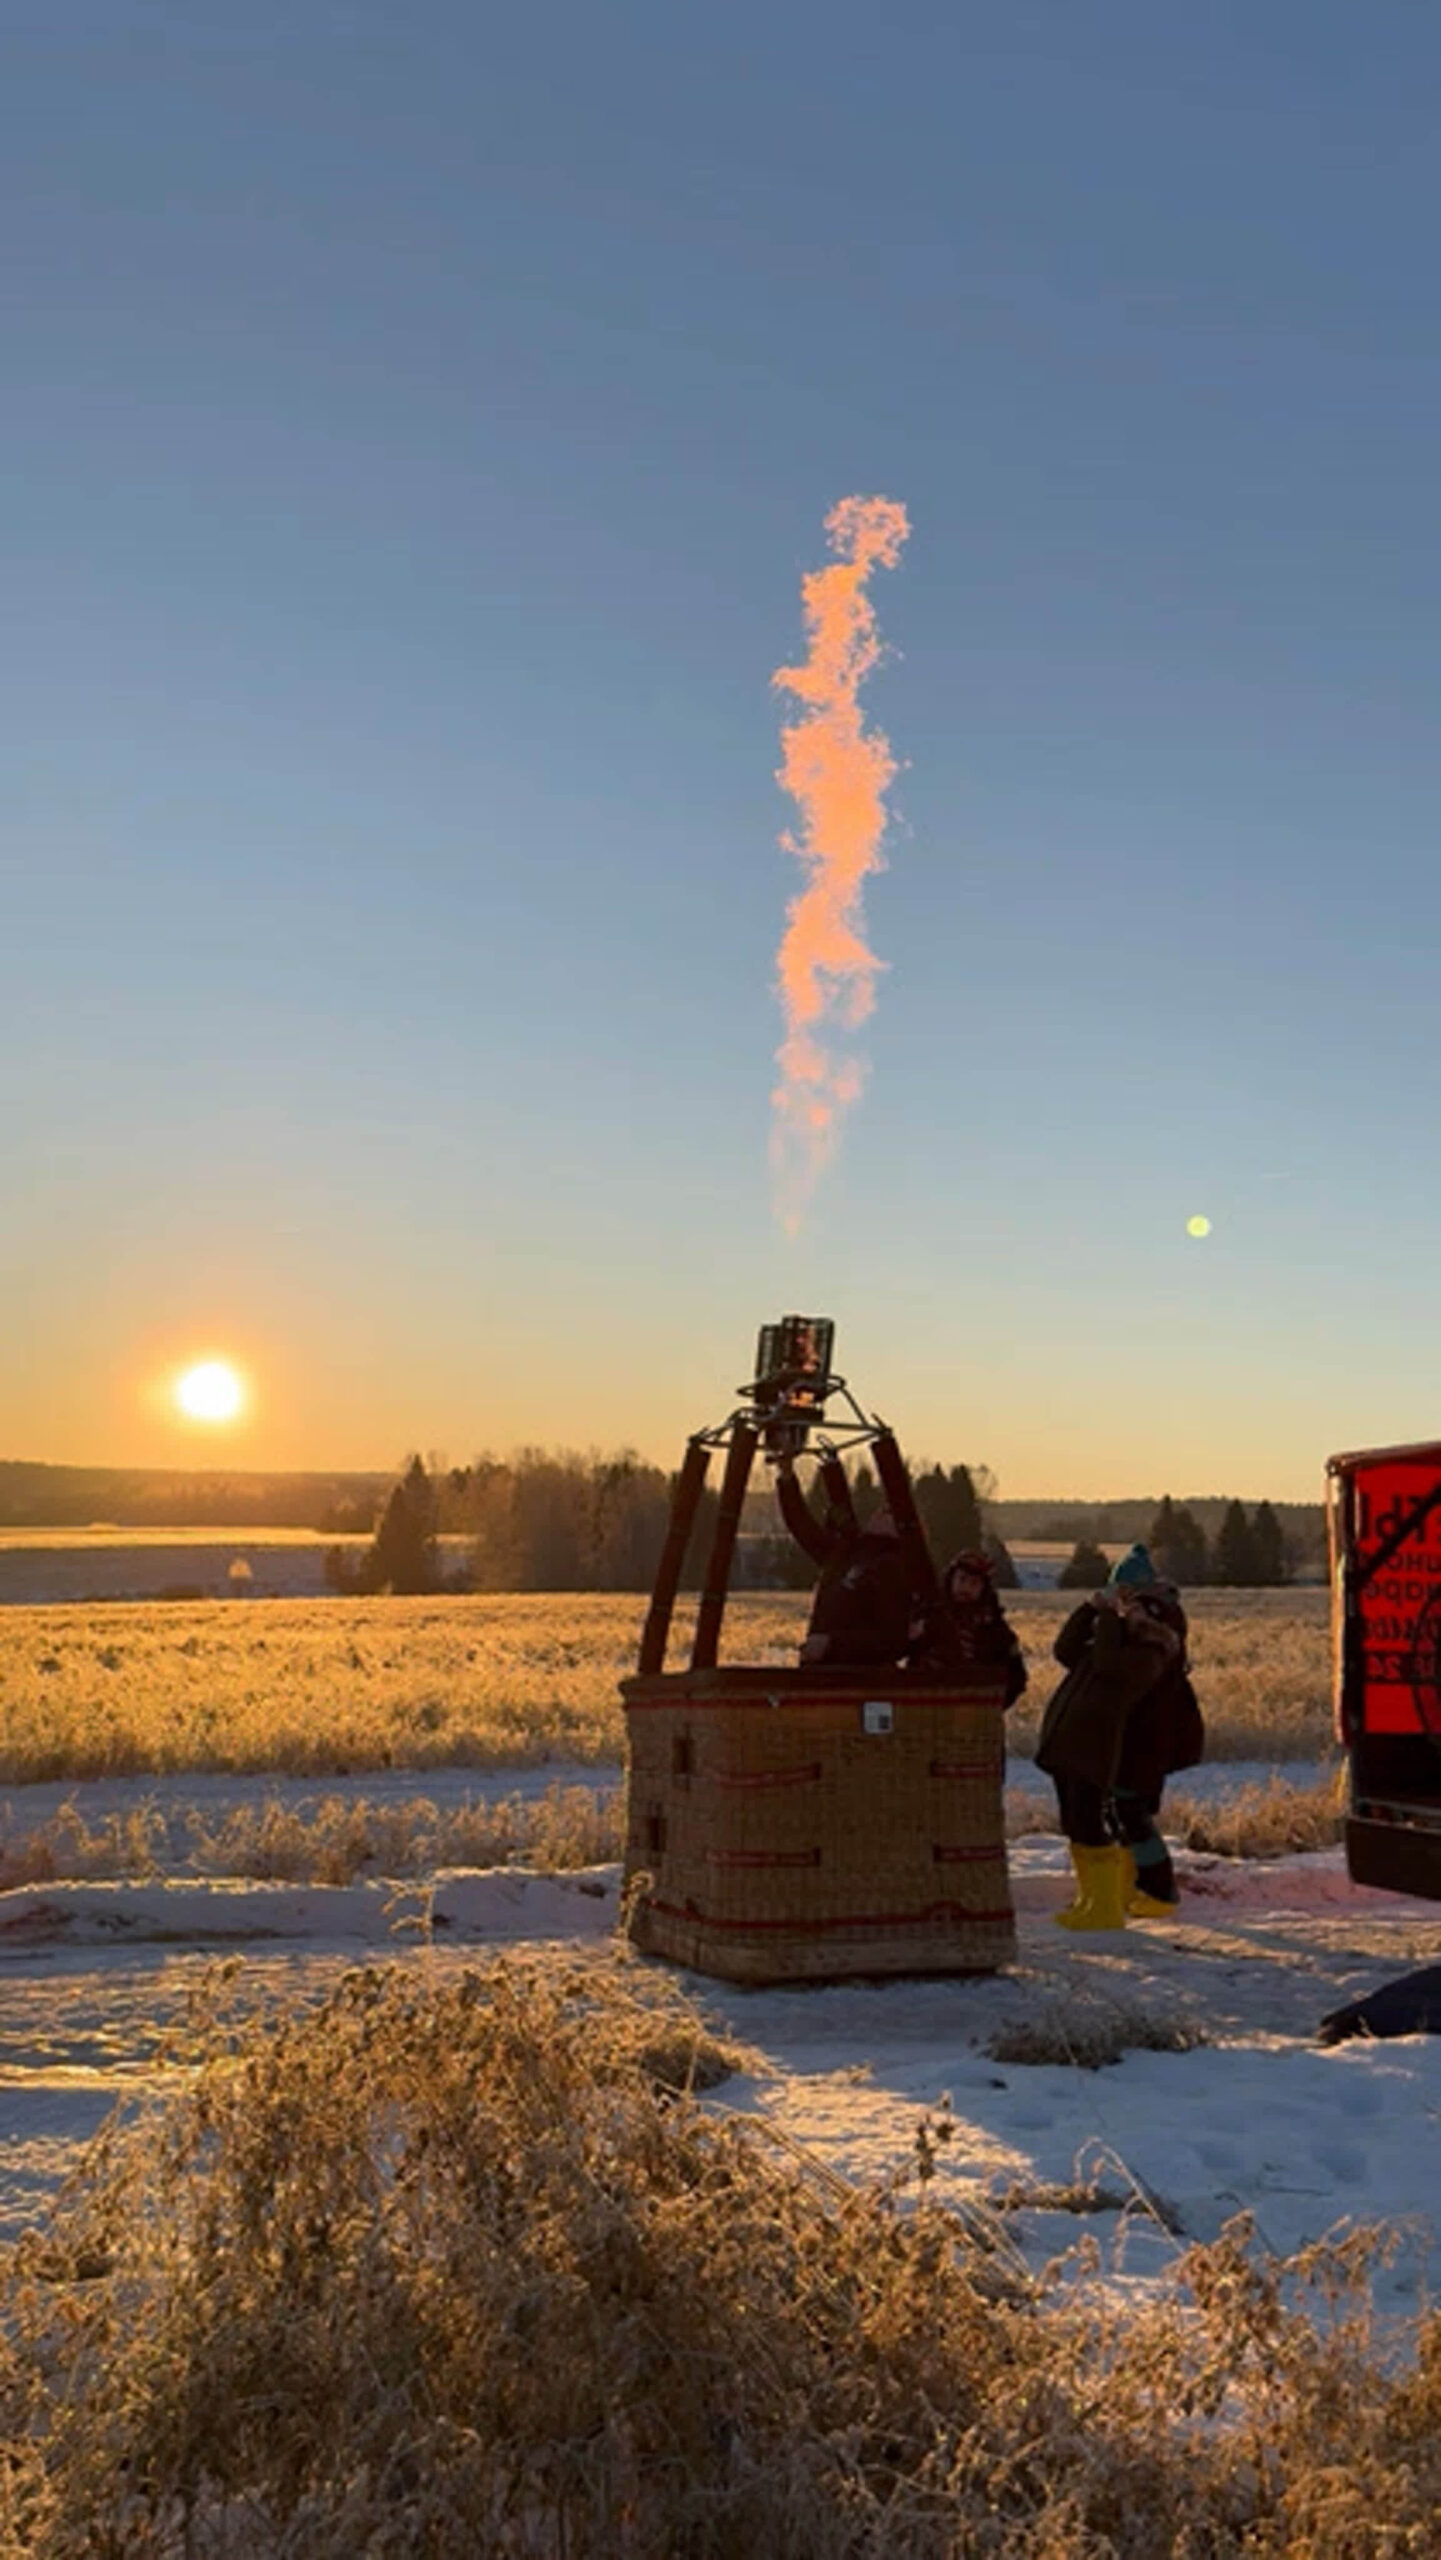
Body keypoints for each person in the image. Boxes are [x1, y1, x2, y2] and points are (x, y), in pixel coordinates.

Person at [1035, 1542, 1204, 1930]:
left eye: (1128, 1597)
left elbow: (1113, 1668)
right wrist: (1092, 1609)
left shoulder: (1151, 1640)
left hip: (1143, 1740)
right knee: (1116, 1814)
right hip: (1117, 1738)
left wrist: (1110, 1618)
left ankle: (1156, 1891)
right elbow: (1065, 1651)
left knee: (1131, 1813)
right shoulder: (1119, 1632)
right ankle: (1126, 1891)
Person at [774, 1458, 916, 1669]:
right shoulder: (847, 1553)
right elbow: (802, 1526)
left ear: (902, 1528)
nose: (881, 1511)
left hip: (858, 1683)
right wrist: (787, 1477)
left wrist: (831, 1645)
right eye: (883, 1508)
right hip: (820, 1673)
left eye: (889, 1512)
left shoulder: (893, 1568)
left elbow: (892, 1640)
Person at [908, 1550, 1028, 1705]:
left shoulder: (997, 1631)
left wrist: (993, 1705)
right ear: (951, 1580)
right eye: (962, 1580)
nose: (966, 1588)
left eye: (974, 1583)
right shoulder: (929, 1617)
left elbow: (1016, 1677)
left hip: (976, 1711)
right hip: (928, 1705)